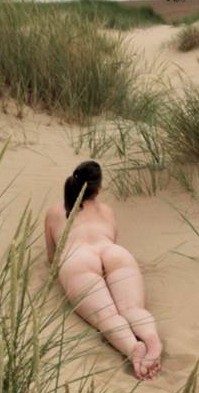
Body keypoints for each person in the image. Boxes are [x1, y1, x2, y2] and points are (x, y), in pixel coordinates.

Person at [45, 161, 162, 379]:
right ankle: (153, 342)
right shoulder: (107, 210)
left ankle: (132, 348)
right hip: (113, 253)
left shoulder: (53, 212)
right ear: (97, 190)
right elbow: (112, 239)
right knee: (131, 308)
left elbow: (52, 257)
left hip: (78, 258)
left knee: (106, 316)